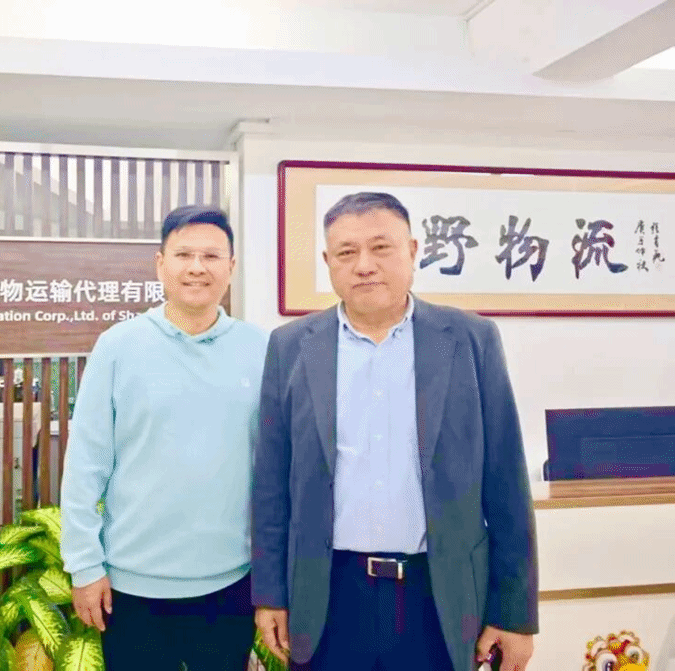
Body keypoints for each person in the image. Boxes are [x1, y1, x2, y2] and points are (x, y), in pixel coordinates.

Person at [251, 192, 538, 671]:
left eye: (381, 247)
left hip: (439, 596)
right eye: (346, 252)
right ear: (328, 262)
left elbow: (506, 482)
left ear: (413, 250)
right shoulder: (292, 346)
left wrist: (514, 614)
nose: (364, 265)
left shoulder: (471, 339)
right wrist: (270, 596)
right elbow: (271, 484)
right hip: (327, 595)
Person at [60, 204, 268, 671]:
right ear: (160, 264)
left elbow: (273, 471)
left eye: (211, 256)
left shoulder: (260, 349)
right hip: (131, 587)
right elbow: (86, 465)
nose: (197, 267)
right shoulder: (118, 346)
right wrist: (85, 566)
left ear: (231, 267)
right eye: (184, 254)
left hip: (231, 584)